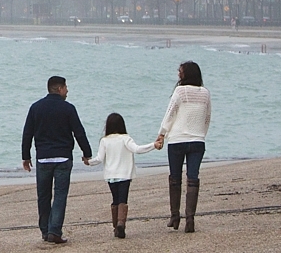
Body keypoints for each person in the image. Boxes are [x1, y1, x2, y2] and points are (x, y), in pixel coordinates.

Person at [21, 75, 93, 244]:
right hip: (63, 157)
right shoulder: (68, 108)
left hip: (43, 158)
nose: (67, 91)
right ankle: (55, 230)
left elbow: (27, 133)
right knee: (60, 195)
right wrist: (86, 152)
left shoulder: (36, 108)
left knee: (43, 195)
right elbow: (79, 132)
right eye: (66, 87)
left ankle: (45, 230)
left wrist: (26, 156)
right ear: (59, 88)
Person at [156, 60, 211, 233]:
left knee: (175, 178)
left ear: (186, 74)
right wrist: (201, 133)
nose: (178, 74)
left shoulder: (180, 91)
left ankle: (174, 216)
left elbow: (170, 113)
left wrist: (162, 133)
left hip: (177, 140)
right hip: (197, 141)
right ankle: (190, 219)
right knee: (193, 178)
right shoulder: (206, 93)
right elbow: (207, 117)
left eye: (180, 71)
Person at [86, 112, 162, 238]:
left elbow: (99, 158)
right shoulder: (126, 139)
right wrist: (153, 145)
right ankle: (121, 224)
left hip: (111, 176)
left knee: (115, 200)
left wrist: (89, 162)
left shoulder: (104, 141)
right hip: (125, 175)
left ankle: (116, 227)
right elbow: (137, 149)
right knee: (123, 199)